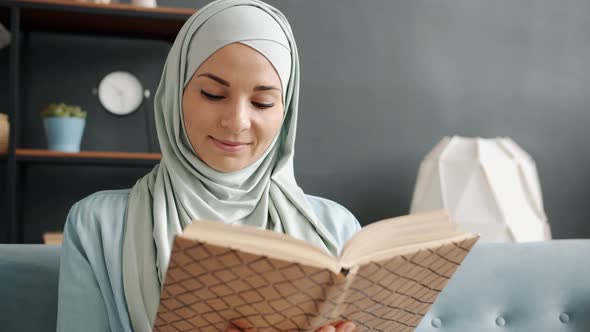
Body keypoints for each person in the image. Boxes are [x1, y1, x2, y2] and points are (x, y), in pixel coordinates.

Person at [56, 0, 360, 331]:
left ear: (285, 113)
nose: (237, 122)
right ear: (176, 92)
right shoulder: (97, 226)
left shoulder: (337, 231)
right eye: (213, 94)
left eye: (263, 102)